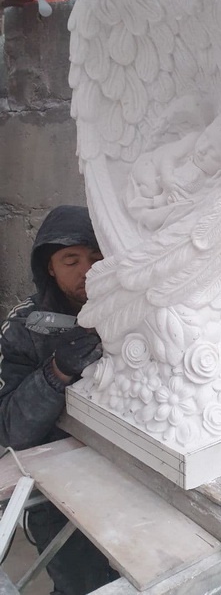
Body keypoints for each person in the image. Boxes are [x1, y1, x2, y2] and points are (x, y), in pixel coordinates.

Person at [0, 205, 119, 595]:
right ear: (49, 267)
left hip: (122, 476)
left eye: (96, 259)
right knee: (78, 582)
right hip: (55, 487)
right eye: (71, 261)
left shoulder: (128, 312)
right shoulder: (24, 327)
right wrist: (57, 371)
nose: (87, 271)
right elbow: (9, 428)